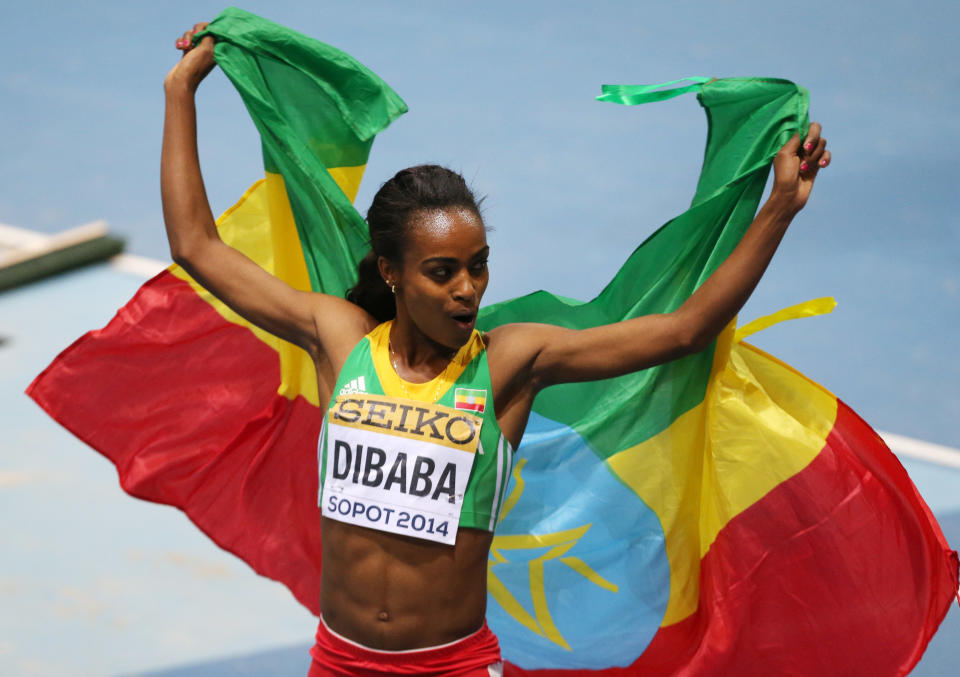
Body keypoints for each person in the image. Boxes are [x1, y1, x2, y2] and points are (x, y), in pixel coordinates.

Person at [164, 23, 831, 677]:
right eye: (443, 271)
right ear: (392, 271)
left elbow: (683, 330)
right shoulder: (338, 339)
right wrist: (181, 91)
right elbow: (196, 245)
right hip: (340, 660)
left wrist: (778, 210)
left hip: (451, 665)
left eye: (477, 265)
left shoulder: (511, 362)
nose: (468, 290)